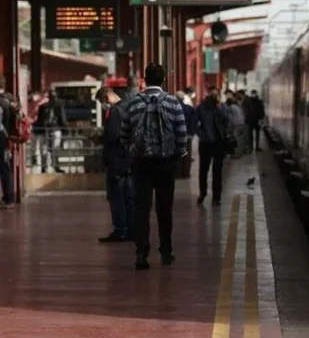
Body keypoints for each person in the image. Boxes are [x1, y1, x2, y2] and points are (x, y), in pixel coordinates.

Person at [119, 64, 187, 270]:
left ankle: (141, 253)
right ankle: (166, 252)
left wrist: (132, 152)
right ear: (163, 79)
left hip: (141, 164)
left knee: (141, 208)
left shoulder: (133, 103)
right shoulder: (173, 102)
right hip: (165, 163)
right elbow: (181, 133)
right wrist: (177, 156)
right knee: (164, 209)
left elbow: (124, 133)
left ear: (145, 80)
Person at [96, 87, 134, 243]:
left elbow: (112, 137)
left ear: (107, 97)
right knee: (128, 198)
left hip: (116, 162)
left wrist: (99, 138)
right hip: (127, 161)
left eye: (102, 102)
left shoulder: (115, 112)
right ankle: (131, 230)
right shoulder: (128, 107)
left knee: (116, 197)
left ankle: (120, 230)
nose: (103, 105)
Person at [195, 87, 232, 207]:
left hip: (219, 143)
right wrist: (201, 135)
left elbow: (227, 120)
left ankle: (217, 197)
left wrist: (219, 108)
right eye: (212, 95)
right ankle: (203, 193)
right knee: (203, 170)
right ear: (208, 95)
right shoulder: (201, 107)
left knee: (217, 171)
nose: (214, 98)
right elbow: (194, 123)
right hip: (205, 143)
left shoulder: (222, 107)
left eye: (216, 95)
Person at [0, 76, 15, 207]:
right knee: (5, 166)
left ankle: (6, 198)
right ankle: (7, 197)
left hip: (0, 137)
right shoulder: (10, 98)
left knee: (1, 167)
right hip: (8, 137)